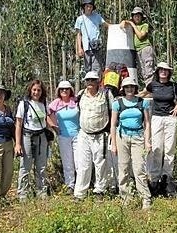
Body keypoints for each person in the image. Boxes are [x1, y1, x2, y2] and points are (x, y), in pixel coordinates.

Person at [110, 77, 152, 209]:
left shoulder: (142, 102)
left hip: (138, 137)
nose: (129, 89)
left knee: (139, 168)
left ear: (135, 88)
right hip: (122, 137)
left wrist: (147, 141)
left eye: (132, 87)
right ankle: (125, 198)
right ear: (123, 89)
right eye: (127, 87)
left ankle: (145, 198)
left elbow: (147, 123)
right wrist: (114, 144)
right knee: (123, 168)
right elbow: (113, 124)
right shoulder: (117, 103)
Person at [145, 62, 177, 196]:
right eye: (161, 69)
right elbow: (143, 94)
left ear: (169, 72)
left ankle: (167, 177)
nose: (163, 72)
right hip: (156, 118)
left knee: (169, 148)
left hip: (170, 118)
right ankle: (155, 179)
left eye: (166, 70)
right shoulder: (152, 85)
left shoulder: (174, 86)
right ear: (158, 71)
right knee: (157, 148)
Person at [73, 71, 114, 200]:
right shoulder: (80, 95)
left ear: (98, 81)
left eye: (93, 80)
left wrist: (112, 131)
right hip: (84, 134)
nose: (90, 82)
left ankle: (99, 190)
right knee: (83, 164)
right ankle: (80, 193)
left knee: (100, 163)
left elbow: (113, 113)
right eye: (88, 80)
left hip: (100, 135)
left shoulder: (106, 95)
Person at [14, 79, 50, 201]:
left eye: (39, 90)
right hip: (27, 137)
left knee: (41, 166)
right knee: (25, 166)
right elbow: (18, 124)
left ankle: (42, 190)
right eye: (34, 90)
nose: (36, 92)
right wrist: (18, 144)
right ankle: (22, 192)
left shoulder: (44, 103)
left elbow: (47, 120)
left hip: (41, 137)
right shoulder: (23, 104)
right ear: (30, 90)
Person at [48, 80, 80, 194]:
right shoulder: (55, 103)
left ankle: (80, 186)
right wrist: (53, 126)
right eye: (62, 89)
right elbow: (46, 114)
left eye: (66, 89)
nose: (64, 91)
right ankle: (70, 185)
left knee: (79, 162)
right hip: (63, 136)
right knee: (68, 163)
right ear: (59, 91)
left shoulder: (76, 101)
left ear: (70, 90)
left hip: (78, 136)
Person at [119, 6, 155, 86]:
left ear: (142, 17)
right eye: (135, 15)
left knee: (148, 69)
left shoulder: (144, 25)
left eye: (139, 15)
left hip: (145, 48)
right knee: (143, 71)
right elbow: (123, 24)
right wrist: (125, 21)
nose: (137, 17)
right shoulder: (131, 27)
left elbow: (141, 36)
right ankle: (148, 87)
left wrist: (132, 24)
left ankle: (150, 89)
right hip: (137, 51)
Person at [74, 0, 109, 74]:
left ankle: (97, 85)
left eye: (90, 6)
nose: (89, 8)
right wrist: (79, 48)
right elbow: (78, 35)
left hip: (96, 47)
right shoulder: (80, 19)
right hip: (86, 47)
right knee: (88, 69)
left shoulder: (97, 17)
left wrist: (117, 27)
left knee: (97, 68)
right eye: (87, 6)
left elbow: (106, 25)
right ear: (84, 7)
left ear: (93, 7)